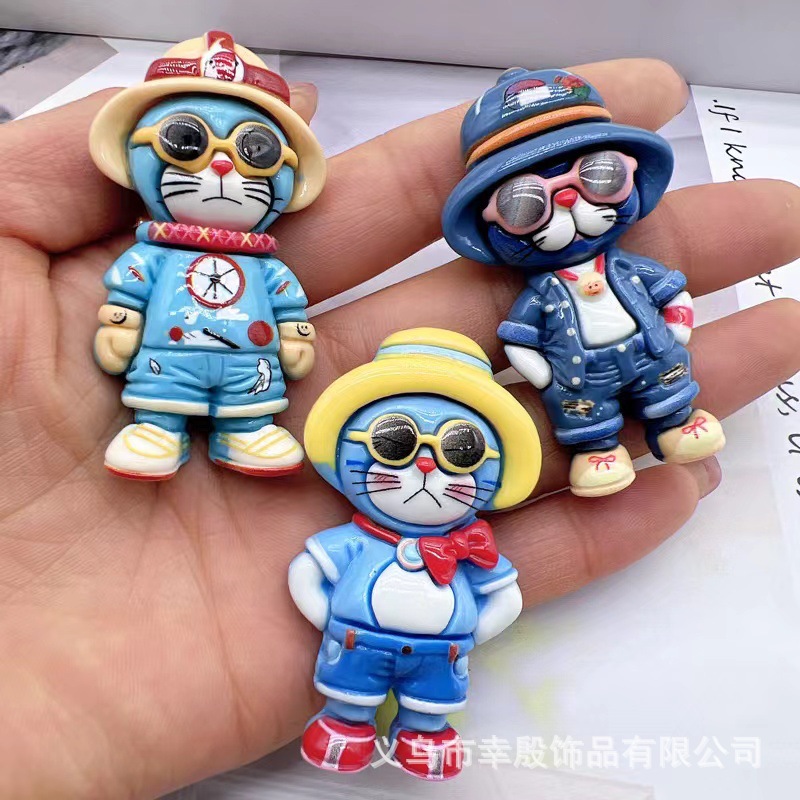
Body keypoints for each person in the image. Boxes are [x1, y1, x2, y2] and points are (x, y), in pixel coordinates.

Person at [0, 58, 798, 797]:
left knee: (650, 397)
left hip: (332, 428)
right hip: (174, 373)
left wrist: (297, 334)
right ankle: (164, 434)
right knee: (580, 421)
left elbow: (490, 591)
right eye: (186, 143)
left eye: (594, 178)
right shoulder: (160, 260)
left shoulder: (617, 274)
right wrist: (120, 317)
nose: (424, 467)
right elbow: (314, 572)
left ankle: (425, 725)